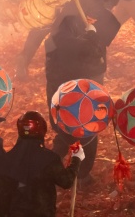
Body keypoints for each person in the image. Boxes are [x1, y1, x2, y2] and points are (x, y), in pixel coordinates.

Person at [43, 15, 104, 184]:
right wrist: (92, 34)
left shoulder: (52, 41)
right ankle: (83, 175)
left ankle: (48, 166)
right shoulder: (74, 44)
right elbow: (95, 52)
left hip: (58, 98)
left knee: (64, 133)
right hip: (76, 100)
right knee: (88, 135)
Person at [0, 111, 84, 217]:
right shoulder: (50, 159)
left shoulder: (6, 159)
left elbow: (1, 196)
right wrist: (77, 158)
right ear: (42, 130)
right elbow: (66, 181)